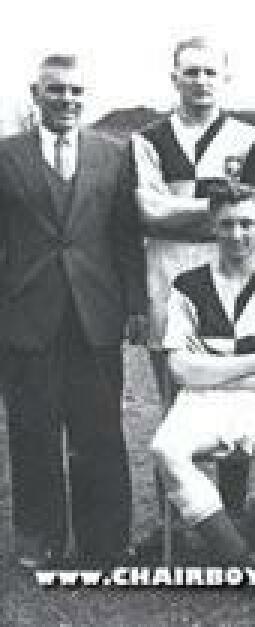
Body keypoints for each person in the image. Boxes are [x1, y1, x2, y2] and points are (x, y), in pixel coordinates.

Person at [0, 53, 146, 569]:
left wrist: (135, 305)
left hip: (95, 314)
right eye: (56, 90)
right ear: (36, 94)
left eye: (75, 91)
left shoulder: (113, 154)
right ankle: (39, 538)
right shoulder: (7, 155)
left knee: (100, 430)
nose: (67, 99)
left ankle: (104, 542)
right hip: (26, 316)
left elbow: (126, 237)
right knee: (32, 429)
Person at [132, 36, 255, 510]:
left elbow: (254, 208)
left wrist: (182, 208)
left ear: (225, 78)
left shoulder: (251, 140)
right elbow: (147, 210)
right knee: (174, 398)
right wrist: (221, 206)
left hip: (230, 269)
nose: (201, 81)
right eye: (191, 72)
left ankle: (231, 512)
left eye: (210, 72)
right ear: (175, 77)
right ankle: (175, 520)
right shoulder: (147, 139)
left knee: (232, 390)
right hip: (167, 268)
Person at [149, 182, 255, 565]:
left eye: (246, 224)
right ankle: (239, 557)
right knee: (166, 448)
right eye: (226, 224)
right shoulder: (188, 286)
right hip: (204, 399)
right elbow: (181, 369)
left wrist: (213, 370)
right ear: (212, 226)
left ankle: (245, 536)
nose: (236, 235)